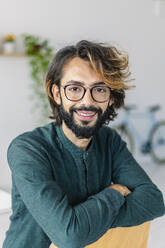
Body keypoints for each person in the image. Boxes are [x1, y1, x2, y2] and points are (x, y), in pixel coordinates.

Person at [3, 40, 165, 248]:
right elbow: (69, 236)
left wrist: (82, 223)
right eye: (74, 88)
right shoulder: (28, 149)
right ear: (57, 93)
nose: (87, 101)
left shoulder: (109, 141)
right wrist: (114, 193)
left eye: (99, 90)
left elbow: (154, 201)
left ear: (111, 98)